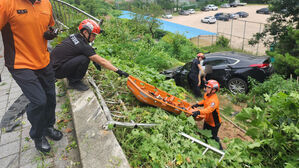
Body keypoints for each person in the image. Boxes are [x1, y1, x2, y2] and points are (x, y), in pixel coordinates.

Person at [0, 0, 62, 153]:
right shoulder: (6, 4)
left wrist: (49, 34)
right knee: (39, 101)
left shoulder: (46, 3)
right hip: (20, 63)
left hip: (43, 60)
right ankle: (38, 135)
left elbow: (48, 25)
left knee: (50, 97)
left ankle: (48, 126)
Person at [51, 19, 129, 91]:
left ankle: (70, 76)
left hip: (52, 66)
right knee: (85, 59)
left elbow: (81, 50)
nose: (94, 38)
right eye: (93, 35)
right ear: (85, 32)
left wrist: (95, 61)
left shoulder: (74, 36)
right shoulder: (83, 46)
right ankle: (74, 82)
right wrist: (119, 71)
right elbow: (102, 61)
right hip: (57, 71)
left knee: (83, 56)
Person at [191, 80, 223, 150]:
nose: (206, 88)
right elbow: (204, 101)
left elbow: (209, 110)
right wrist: (197, 104)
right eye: (206, 87)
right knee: (204, 133)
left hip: (214, 123)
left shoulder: (214, 101)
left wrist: (198, 112)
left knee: (214, 137)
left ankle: (221, 151)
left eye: (208, 87)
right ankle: (204, 145)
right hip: (207, 120)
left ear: (214, 90)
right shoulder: (207, 94)